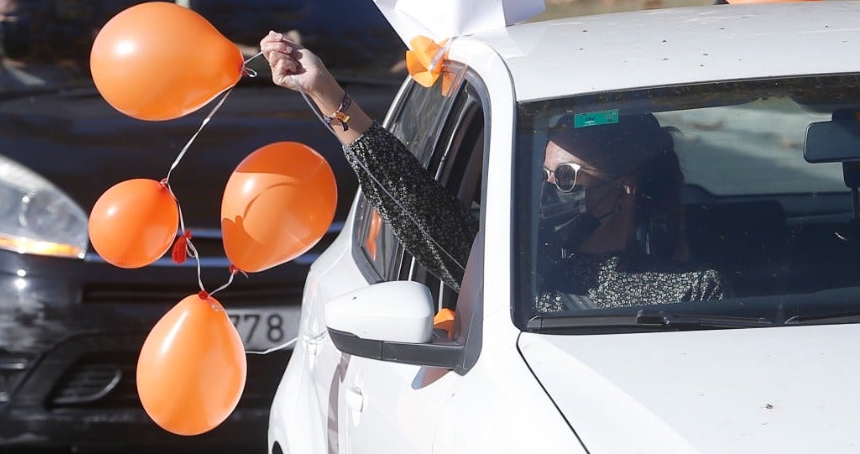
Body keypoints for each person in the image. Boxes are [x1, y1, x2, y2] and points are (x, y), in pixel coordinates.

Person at [258, 31, 728, 313]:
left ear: (621, 190)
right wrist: (325, 93)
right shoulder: (515, 266)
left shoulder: (694, 287)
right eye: (542, 175)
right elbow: (412, 200)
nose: (546, 191)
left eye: (565, 178)